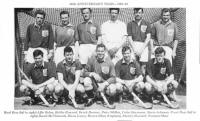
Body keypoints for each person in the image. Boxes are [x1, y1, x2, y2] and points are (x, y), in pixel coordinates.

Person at [127, 8, 152, 74]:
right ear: (134, 13)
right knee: (132, 64)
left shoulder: (147, 23)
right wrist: (134, 50)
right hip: (133, 45)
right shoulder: (130, 24)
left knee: (143, 66)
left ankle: (142, 80)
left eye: (139, 13)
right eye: (136, 13)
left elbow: (148, 37)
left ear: (142, 14)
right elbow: (129, 38)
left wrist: (141, 50)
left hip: (144, 45)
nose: (138, 14)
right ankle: (133, 80)